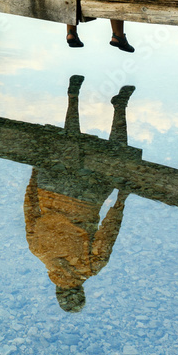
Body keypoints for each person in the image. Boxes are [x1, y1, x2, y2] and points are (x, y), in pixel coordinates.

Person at [24, 75, 134, 312]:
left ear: (80, 290)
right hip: (49, 185)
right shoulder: (35, 249)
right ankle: (73, 97)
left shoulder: (90, 267)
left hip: (86, 195)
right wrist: (35, 172)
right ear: (57, 289)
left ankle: (120, 107)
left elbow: (109, 230)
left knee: (120, 160)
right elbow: (29, 207)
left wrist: (121, 199)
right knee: (68, 143)